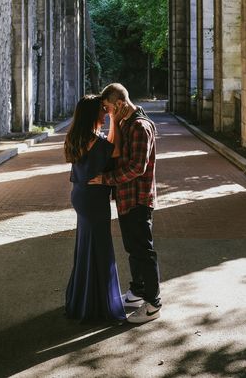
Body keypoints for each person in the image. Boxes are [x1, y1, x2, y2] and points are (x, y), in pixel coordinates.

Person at [89, 83, 161, 324]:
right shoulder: (125, 124)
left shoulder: (140, 127)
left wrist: (106, 179)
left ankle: (153, 304)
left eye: (108, 108)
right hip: (126, 197)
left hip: (139, 198)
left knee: (144, 251)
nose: (107, 112)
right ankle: (138, 291)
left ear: (119, 104)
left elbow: (137, 168)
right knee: (133, 248)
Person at [64, 94, 126, 322]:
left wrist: (109, 120)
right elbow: (115, 150)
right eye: (101, 109)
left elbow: (105, 148)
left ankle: (82, 299)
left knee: (86, 247)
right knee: (100, 248)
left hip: (81, 196)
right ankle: (96, 304)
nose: (104, 112)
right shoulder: (94, 140)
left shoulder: (76, 136)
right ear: (93, 114)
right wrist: (115, 120)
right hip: (93, 200)